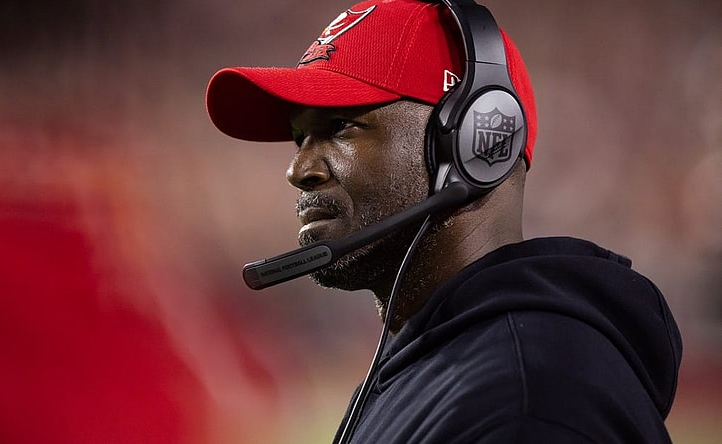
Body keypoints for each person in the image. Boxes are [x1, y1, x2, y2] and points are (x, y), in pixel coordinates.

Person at [205, 0, 682, 442]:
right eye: (299, 138)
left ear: (477, 143)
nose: (298, 170)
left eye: (339, 128)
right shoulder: (441, 366)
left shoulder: (528, 400)